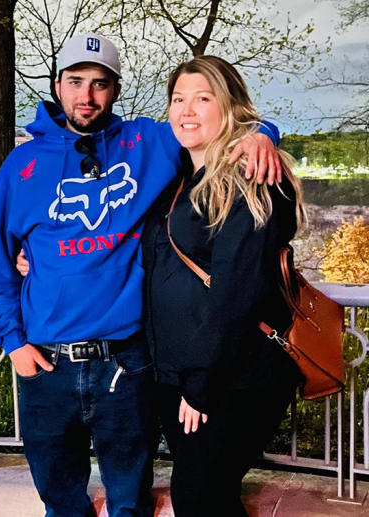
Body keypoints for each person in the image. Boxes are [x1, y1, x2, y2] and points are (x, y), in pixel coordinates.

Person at [0, 34, 281, 517]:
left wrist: (263, 134)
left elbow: (216, 121)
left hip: (126, 363)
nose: (87, 96)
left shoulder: (147, 145)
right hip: (46, 365)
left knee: (129, 502)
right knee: (60, 503)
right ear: (57, 85)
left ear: (115, 89)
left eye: (100, 84)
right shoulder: (20, 169)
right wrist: (13, 344)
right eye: (76, 82)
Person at [140, 55, 305, 516]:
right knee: (205, 493)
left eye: (202, 98)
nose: (186, 110)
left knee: (200, 496)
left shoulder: (253, 180)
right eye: (177, 99)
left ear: (229, 107)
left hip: (227, 376)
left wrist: (200, 385)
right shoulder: (177, 177)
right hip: (180, 371)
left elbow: (237, 291)